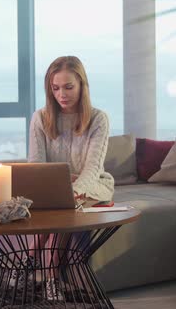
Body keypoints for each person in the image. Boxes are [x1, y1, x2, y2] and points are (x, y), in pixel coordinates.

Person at [23, 55, 114, 300]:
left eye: (68, 87)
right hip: (54, 185)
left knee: (68, 204)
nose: (61, 94)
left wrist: (69, 189)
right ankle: (33, 263)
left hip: (93, 185)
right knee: (60, 201)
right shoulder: (40, 118)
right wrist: (57, 184)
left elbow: (92, 170)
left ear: (82, 85)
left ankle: (43, 271)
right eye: (55, 88)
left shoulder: (98, 119)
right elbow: (36, 166)